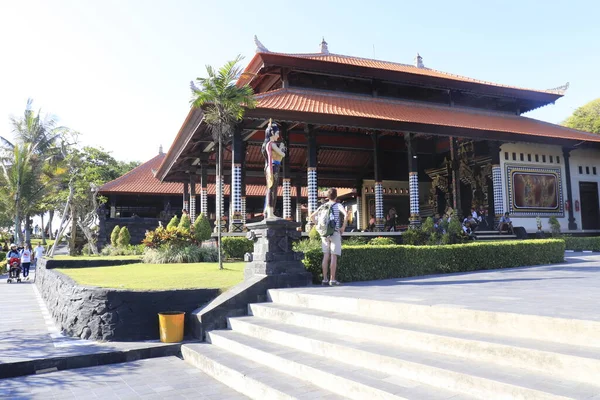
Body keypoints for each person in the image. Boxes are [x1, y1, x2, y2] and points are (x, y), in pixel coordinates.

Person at [310, 188, 347, 286]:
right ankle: (333, 280)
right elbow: (346, 215)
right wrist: (343, 227)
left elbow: (312, 216)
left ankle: (325, 279)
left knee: (326, 256)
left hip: (324, 234)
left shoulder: (323, 206)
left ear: (327, 196)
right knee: (333, 256)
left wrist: (318, 226)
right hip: (334, 232)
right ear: (336, 196)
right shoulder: (338, 205)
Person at [261, 119, 286, 219]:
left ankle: (269, 211)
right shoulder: (272, 144)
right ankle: (270, 213)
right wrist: (282, 148)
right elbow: (282, 154)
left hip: (271, 167)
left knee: (271, 189)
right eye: (277, 133)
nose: (278, 136)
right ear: (272, 133)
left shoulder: (266, 144)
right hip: (273, 168)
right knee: (272, 190)